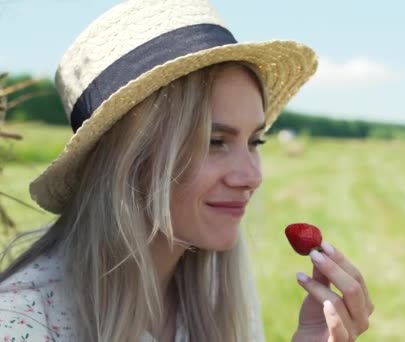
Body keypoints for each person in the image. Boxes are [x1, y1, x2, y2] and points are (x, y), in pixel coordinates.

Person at [0, 0, 374, 341]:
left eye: (255, 142)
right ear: (127, 159)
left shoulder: (218, 294)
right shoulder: (24, 324)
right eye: (214, 141)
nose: (252, 176)